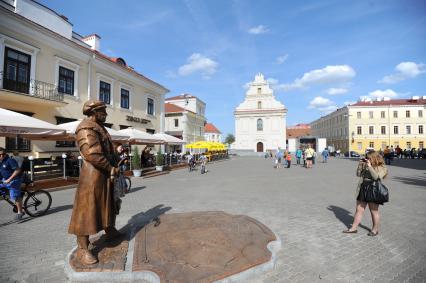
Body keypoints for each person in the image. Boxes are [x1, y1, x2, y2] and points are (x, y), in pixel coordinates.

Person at [68, 100, 122, 265]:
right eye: (103, 111)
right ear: (94, 111)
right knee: (87, 210)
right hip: (93, 176)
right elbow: (92, 153)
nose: (105, 114)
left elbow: (107, 149)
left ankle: (109, 229)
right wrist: (110, 167)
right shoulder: (86, 128)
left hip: (104, 175)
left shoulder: (100, 127)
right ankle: (83, 249)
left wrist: (115, 159)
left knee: (107, 204)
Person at [343, 151, 388, 236]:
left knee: (373, 211)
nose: (367, 159)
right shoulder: (366, 165)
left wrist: (370, 166)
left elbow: (376, 177)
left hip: (374, 189)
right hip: (363, 188)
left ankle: (375, 230)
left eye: (369, 158)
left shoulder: (382, 167)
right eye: (366, 157)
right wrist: (360, 165)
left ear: (374, 158)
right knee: (359, 210)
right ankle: (353, 228)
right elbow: (358, 174)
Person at [0, 148, 24, 220]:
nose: (1, 156)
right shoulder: (1, 161)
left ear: (5, 154)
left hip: (14, 180)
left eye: (3, 154)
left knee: (15, 196)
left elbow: (18, 170)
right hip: (5, 180)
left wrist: (9, 179)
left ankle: (20, 212)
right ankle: (15, 202)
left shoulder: (10, 160)